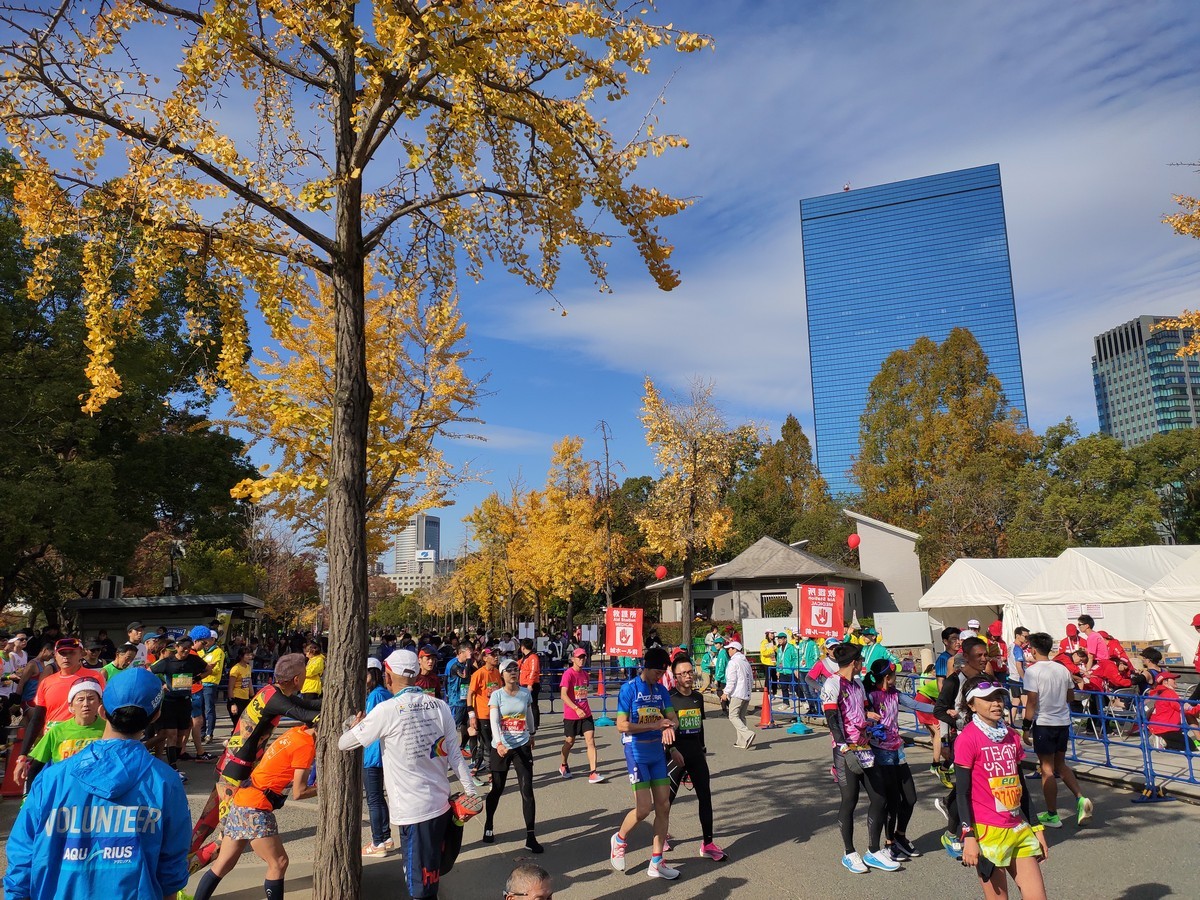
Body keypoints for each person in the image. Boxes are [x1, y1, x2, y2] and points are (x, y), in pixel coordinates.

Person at [4, 668, 191, 900]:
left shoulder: (53, 779)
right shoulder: (165, 781)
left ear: (102, 711)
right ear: (155, 716)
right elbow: (171, 867)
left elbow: (22, 856)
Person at [339, 649, 481, 899]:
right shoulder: (440, 706)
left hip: (412, 812)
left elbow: (344, 743)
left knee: (419, 887)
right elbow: (456, 755)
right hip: (442, 805)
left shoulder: (387, 710)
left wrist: (353, 726)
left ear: (388, 675)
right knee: (432, 875)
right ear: (416, 674)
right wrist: (470, 792)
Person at [192, 722, 318, 900]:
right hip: (255, 807)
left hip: (242, 799)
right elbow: (299, 791)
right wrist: (325, 786)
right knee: (279, 862)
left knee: (223, 864)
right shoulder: (306, 746)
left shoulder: (297, 732)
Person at [955, 675, 1049, 900]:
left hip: (1018, 827)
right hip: (987, 833)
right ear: (971, 705)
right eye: (987, 698)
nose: (996, 703)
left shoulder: (1010, 737)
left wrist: (1037, 827)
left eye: (999, 697)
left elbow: (1021, 786)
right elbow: (962, 792)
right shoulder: (967, 739)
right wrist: (968, 836)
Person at [822, 642, 897, 874]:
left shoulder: (857, 685)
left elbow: (860, 709)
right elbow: (832, 718)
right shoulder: (832, 683)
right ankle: (849, 852)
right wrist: (843, 748)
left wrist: (869, 714)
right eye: (861, 661)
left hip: (865, 747)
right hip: (846, 751)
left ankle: (873, 851)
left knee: (879, 798)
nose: (862, 665)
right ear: (854, 663)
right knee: (850, 800)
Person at [610, 646, 680, 880]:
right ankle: (619, 840)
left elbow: (674, 718)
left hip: (657, 753)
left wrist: (669, 727)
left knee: (664, 806)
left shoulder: (661, 690)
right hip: (636, 752)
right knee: (643, 809)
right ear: (646, 667)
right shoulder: (628, 689)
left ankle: (657, 861)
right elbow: (621, 724)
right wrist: (654, 726)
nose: (659, 677)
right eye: (657, 673)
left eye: (662, 673)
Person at [1020, 632, 1093, 829]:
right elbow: (1071, 697)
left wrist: (1025, 727)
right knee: (1061, 765)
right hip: (1062, 722)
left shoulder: (1033, 671)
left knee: (1047, 769)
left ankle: (1052, 814)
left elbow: (1032, 701)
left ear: (1033, 650)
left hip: (1044, 722)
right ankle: (1081, 798)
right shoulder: (1062, 669)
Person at [863, 658, 930, 862]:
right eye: (894, 674)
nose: (896, 677)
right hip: (880, 753)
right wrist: (866, 714)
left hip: (898, 751)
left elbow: (916, 704)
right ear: (887, 677)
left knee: (910, 798)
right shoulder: (870, 696)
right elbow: (854, 713)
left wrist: (943, 710)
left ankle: (900, 836)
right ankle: (889, 842)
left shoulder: (896, 695)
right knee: (891, 802)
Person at [933, 636, 990, 859]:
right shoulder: (953, 682)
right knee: (966, 788)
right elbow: (938, 711)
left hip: (985, 739)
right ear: (965, 657)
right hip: (963, 741)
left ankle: (950, 803)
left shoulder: (985, 678)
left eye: (986, 655)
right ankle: (951, 833)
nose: (984, 659)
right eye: (979, 656)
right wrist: (952, 731)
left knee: (973, 787)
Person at [665, 653, 725, 861]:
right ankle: (661, 836)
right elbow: (664, 730)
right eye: (683, 673)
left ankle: (707, 843)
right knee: (667, 800)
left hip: (696, 753)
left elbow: (699, 727)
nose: (688, 676)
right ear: (675, 677)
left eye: (690, 672)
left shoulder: (698, 698)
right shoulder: (669, 699)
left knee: (705, 798)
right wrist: (671, 750)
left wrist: (703, 749)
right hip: (674, 754)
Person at [483, 658, 541, 852]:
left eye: (515, 669)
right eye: (508, 670)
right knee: (497, 789)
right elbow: (494, 721)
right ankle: (489, 824)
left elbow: (529, 715)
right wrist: (498, 743)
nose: (513, 673)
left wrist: (531, 733)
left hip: (522, 745)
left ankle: (531, 837)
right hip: (502, 747)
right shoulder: (497, 696)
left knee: (527, 790)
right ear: (502, 674)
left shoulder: (525, 693)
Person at [150, 634, 211, 781]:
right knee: (171, 733)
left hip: (185, 701)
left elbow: (209, 670)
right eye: (183, 648)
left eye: (189, 648)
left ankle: (174, 761)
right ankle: (172, 767)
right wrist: (159, 686)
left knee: (181, 735)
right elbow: (149, 671)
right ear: (176, 647)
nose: (186, 651)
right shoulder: (167, 662)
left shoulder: (194, 660)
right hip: (170, 702)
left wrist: (197, 678)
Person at [24, 678, 106, 784]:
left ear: (100, 703)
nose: (86, 704)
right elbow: (36, 768)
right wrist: (29, 797)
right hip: (64, 792)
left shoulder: (109, 729)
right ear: (71, 706)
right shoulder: (57, 731)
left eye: (91, 698)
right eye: (80, 699)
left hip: (98, 792)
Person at [360, 659, 395, 856]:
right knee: (379, 798)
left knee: (373, 799)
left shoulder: (374, 696)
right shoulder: (385, 694)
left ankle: (377, 842)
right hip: (384, 753)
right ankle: (386, 836)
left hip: (372, 754)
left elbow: (370, 726)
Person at [558, 647, 603, 783]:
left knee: (590, 741)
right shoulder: (568, 674)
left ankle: (593, 772)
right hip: (572, 715)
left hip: (586, 714)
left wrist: (581, 709)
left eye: (583, 657)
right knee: (570, 741)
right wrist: (575, 708)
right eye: (579, 657)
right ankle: (564, 765)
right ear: (573, 659)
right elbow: (563, 695)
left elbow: (582, 693)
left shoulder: (585, 674)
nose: (582, 660)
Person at [467, 646, 503, 778]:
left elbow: (500, 692)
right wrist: (472, 715)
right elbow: (470, 694)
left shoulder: (497, 673)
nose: (496, 656)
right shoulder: (479, 674)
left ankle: (476, 768)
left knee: (485, 744)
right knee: (489, 745)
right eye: (492, 655)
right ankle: (491, 773)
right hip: (482, 715)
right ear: (485, 658)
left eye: (497, 654)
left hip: (495, 714)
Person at [1145, 670, 1199, 751]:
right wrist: (1197, 708)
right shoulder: (1169, 693)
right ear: (1165, 682)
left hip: (1157, 727)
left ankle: (1161, 740)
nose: (1175, 681)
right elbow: (1182, 708)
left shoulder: (1157, 693)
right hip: (1166, 728)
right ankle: (1163, 742)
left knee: (1185, 742)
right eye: (1172, 679)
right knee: (1190, 746)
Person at [721, 640, 755, 750]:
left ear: (735, 649)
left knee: (733, 716)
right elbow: (751, 678)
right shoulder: (745, 662)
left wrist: (726, 692)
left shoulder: (733, 662)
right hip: (746, 693)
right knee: (741, 717)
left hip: (737, 693)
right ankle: (742, 741)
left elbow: (731, 680)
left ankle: (747, 734)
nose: (728, 651)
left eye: (730, 649)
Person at [445, 642, 475, 759]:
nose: (470, 653)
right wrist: (468, 660)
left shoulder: (468, 663)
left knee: (468, 724)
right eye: (468, 651)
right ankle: (446, 754)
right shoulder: (454, 665)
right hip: (456, 701)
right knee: (452, 727)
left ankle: (461, 747)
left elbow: (475, 672)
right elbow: (465, 676)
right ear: (461, 652)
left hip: (466, 699)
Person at [201, 630, 227, 744]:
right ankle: (201, 733)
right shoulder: (201, 651)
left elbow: (216, 669)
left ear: (213, 640)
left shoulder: (218, 652)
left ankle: (209, 733)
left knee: (209, 709)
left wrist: (204, 668)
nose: (205, 641)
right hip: (199, 683)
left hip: (210, 684)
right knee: (199, 709)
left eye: (208, 639)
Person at [518, 638, 543, 730]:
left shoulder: (533, 657)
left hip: (531, 684)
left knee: (533, 704)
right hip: (524, 683)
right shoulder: (525, 657)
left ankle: (535, 723)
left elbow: (534, 671)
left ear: (523, 647)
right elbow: (519, 664)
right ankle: (529, 722)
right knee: (526, 704)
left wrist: (530, 684)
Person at [227, 646, 255, 724]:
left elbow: (249, 683)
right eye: (247, 655)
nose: (250, 657)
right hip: (236, 698)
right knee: (238, 725)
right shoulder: (235, 669)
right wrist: (232, 703)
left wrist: (252, 697)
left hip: (245, 699)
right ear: (241, 656)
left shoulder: (248, 667)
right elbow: (230, 687)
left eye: (251, 654)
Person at [773, 631, 798, 706]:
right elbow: (778, 660)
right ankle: (786, 703)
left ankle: (803, 701)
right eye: (778, 639)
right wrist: (778, 670)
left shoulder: (791, 647)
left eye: (781, 638)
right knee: (784, 688)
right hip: (782, 671)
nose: (779, 640)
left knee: (796, 687)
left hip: (790, 671)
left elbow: (795, 658)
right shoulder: (779, 649)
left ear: (785, 639)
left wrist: (795, 668)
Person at [759, 630, 777, 698]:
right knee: (768, 678)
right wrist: (772, 649)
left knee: (774, 678)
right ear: (767, 634)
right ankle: (767, 693)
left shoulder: (773, 642)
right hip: (767, 663)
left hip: (773, 663)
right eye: (771, 633)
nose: (772, 635)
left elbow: (776, 651)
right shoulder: (764, 642)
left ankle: (774, 692)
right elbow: (763, 652)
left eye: (773, 633)